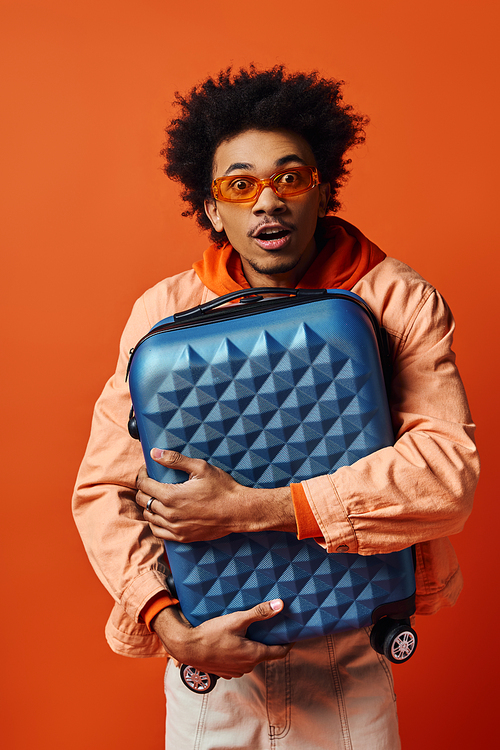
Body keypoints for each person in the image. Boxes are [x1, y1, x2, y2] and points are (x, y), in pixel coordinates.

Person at [73, 67, 479, 749]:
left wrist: (253, 508)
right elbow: (103, 489)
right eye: (241, 185)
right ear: (210, 208)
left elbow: (444, 478)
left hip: (349, 665)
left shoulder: (399, 302)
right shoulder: (161, 315)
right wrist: (172, 627)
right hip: (209, 669)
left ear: (322, 189)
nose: (269, 202)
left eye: (290, 179)